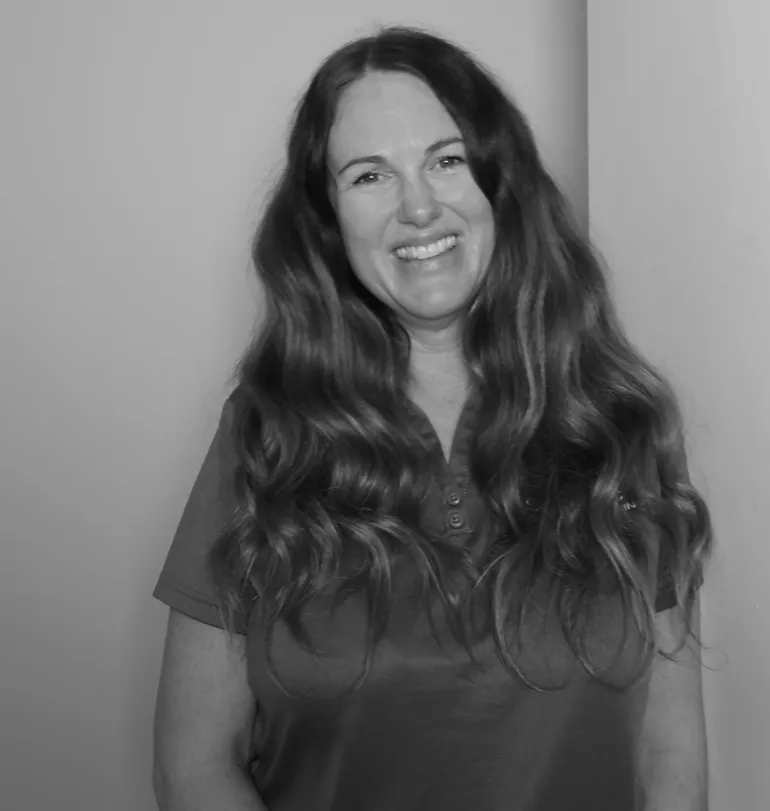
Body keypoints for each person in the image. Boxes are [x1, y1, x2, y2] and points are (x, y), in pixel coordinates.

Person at [152, 25, 712, 811]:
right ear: (326, 217)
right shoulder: (264, 435)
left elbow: (671, 756)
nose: (418, 206)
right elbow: (195, 765)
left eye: (447, 160)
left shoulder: (622, 422)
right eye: (369, 175)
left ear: (499, 184)